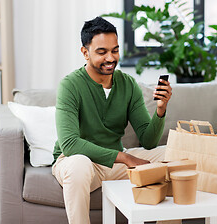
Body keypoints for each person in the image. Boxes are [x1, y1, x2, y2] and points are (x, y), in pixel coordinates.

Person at [52, 16, 172, 224]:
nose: (110, 58)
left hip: (114, 164)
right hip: (77, 161)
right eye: (102, 52)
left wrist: (160, 110)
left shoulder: (128, 84)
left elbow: (149, 141)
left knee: (174, 153)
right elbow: (70, 145)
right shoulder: (70, 85)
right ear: (85, 53)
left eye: (114, 50)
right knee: (79, 165)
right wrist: (126, 158)